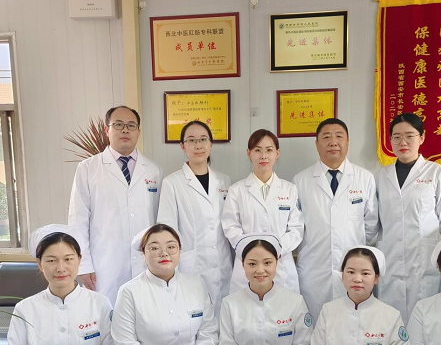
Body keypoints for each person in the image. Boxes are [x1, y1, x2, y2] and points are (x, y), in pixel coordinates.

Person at [68, 105, 163, 306]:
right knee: (105, 314)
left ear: (138, 131)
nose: (125, 130)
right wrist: (83, 265)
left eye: (131, 125)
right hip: (104, 264)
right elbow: (78, 220)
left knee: (145, 312)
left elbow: (159, 220)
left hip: (145, 262)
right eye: (118, 125)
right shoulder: (88, 168)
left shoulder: (154, 170)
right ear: (107, 130)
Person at [375, 113, 441, 324]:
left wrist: (427, 239)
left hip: (424, 257)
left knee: (425, 319)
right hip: (390, 255)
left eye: (409, 136)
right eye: (396, 137)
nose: (403, 142)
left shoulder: (437, 172)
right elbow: (376, 218)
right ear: (390, 140)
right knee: (391, 320)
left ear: (422, 137)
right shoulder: (380, 176)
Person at [293, 118, 378, 321]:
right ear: (316, 144)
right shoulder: (300, 180)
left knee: (352, 324)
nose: (333, 142)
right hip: (314, 269)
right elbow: (296, 227)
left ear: (348, 142)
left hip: (354, 269)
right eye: (326, 137)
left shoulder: (365, 178)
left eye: (339, 136)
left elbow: (372, 225)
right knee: (315, 325)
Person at [158, 120, 232, 316]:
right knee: (194, 319)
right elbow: (166, 231)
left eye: (203, 139)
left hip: (223, 264)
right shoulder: (172, 183)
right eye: (191, 140)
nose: (198, 145)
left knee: (223, 318)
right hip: (191, 266)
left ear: (211, 144)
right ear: (183, 146)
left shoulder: (224, 181)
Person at [221, 129, 303, 294]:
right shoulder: (236, 190)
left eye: (269, 150)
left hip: (281, 265)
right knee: (246, 307)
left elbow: (296, 229)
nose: (263, 156)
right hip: (247, 265)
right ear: (249, 153)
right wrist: (252, 252)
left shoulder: (289, 189)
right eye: (257, 150)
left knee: (283, 308)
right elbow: (231, 227)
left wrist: (275, 250)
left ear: (277, 153)